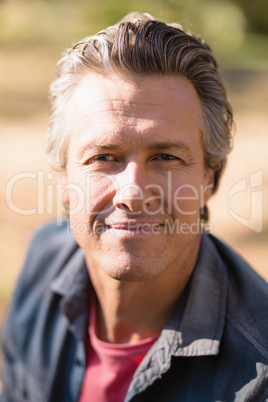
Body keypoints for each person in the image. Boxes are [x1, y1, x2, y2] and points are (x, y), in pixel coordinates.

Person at [1, 12, 268, 402]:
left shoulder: (258, 374)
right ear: (63, 178)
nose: (133, 192)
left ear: (210, 178)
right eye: (104, 156)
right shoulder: (43, 258)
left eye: (165, 157)